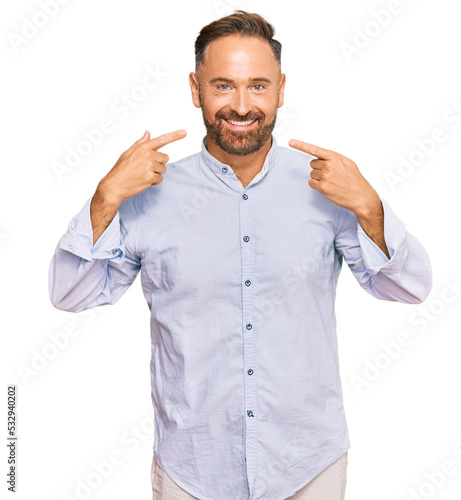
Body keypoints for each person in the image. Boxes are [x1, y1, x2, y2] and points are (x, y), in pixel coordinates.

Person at [48, 10, 432, 500]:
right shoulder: (146, 195)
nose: (243, 105)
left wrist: (368, 204)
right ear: (195, 89)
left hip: (307, 466)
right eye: (224, 86)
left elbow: (410, 286)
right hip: (192, 470)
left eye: (258, 86)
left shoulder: (329, 187)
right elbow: (69, 294)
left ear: (281, 89)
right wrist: (105, 197)